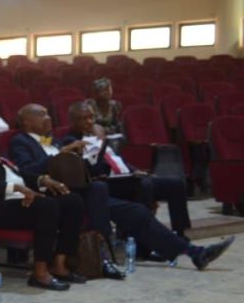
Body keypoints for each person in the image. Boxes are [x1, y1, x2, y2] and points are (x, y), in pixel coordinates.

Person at [9, 104, 234, 272]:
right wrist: (63, 153)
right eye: (42, 114)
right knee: (101, 191)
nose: (48, 117)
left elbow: (84, 169)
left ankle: (194, 253)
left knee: (138, 211)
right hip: (59, 196)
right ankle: (103, 258)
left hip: (82, 191)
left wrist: (91, 154)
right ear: (26, 122)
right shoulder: (21, 141)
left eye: (48, 113)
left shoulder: (54, 141)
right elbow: (26, 170)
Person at [0, 117, 83, 291]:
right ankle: (40, 273)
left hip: (23, 199)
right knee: (47, 206)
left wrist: (42, 180)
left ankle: (59, 264)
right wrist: (14, 187)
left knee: (72, 200)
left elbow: (19, 173)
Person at [63, 101, 192, 240]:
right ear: (73, 121)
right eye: (83, 118)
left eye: (91, 117)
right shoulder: (71, 141)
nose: (89, 122)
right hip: (107, 183)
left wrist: (136, 171)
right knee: (144, 185)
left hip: (126, 177)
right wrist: (99, 146)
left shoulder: (97, 134)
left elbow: (116, 159)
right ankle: (143, 239)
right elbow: (90, 170)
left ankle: (180, 232)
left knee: (175, 184)